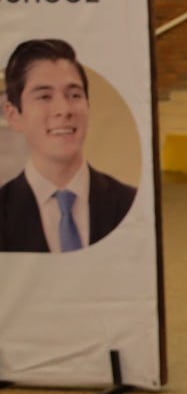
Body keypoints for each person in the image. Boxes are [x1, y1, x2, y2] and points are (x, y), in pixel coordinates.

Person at [1, 38, 136, 252]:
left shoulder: (130, 202)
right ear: (14, 115)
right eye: (44, 96)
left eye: (74, 95)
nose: (64, 110)